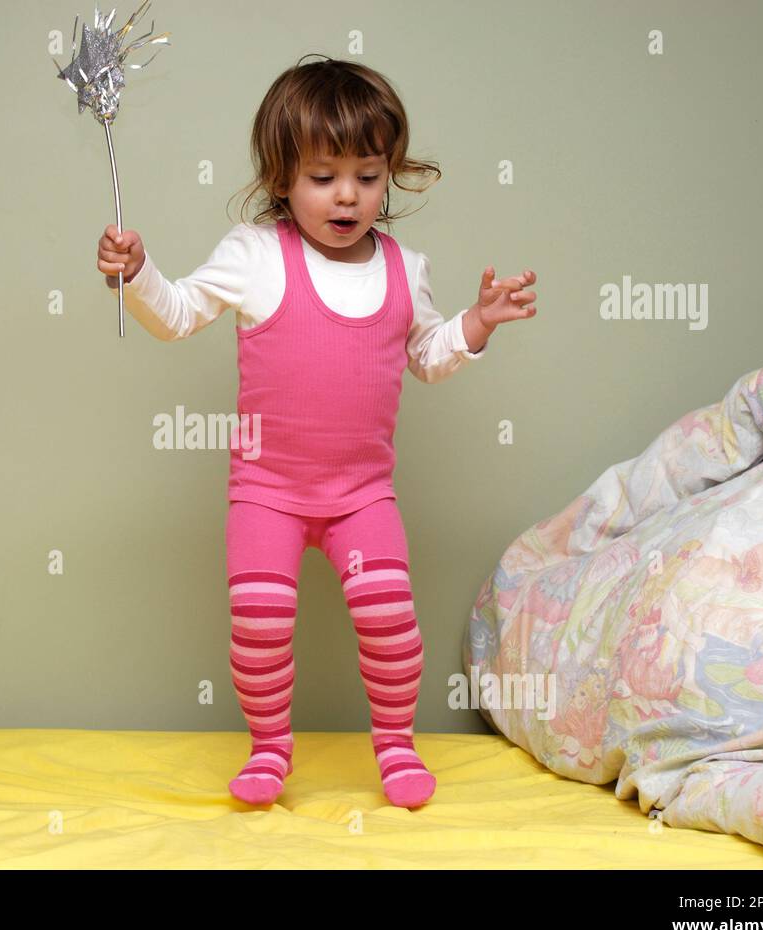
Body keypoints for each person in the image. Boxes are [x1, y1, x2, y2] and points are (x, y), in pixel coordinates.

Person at [95, 55, 537, 808]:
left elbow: (428, 358)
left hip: (362, 497)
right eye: (323, 176)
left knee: (391, 622)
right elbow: (173, 317)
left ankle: (396, 748)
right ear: (280, 178)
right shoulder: (256, 255)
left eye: (367, 176)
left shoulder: (406, 266)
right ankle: (270, 750)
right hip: (267, 493)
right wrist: (136, 274)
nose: (348, 195)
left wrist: (477, 322)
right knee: (260, 625)